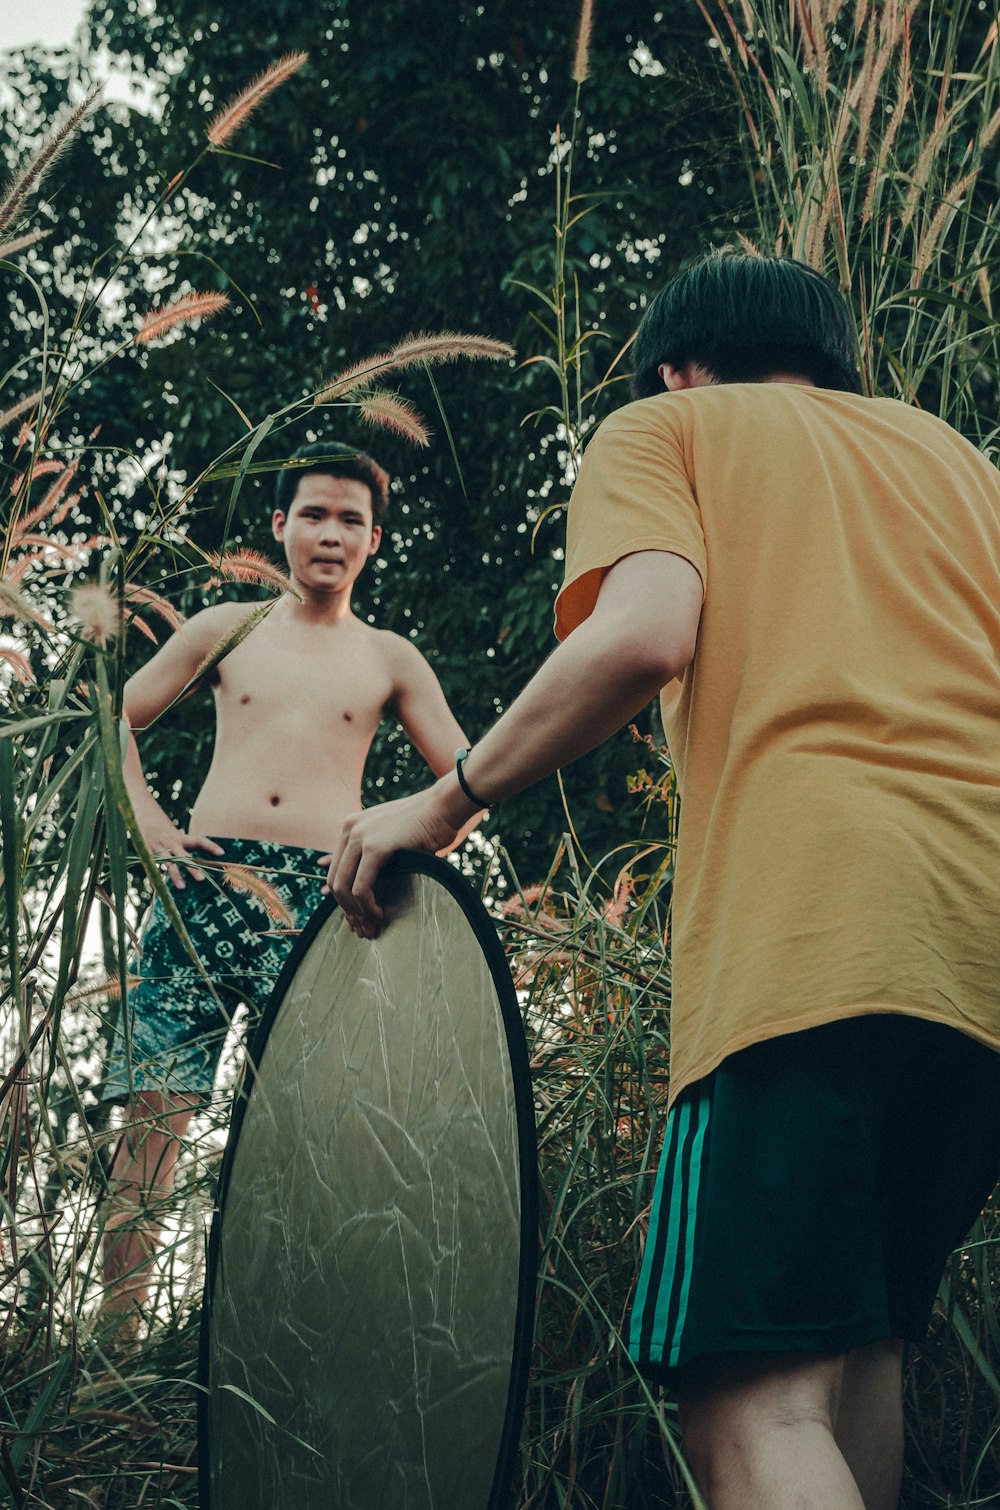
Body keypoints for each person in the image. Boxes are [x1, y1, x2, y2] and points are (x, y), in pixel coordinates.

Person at [325, 250, 1000, 1510]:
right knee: (859, 1351)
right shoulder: (959, 461)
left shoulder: (668, 424)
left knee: (751, 1399)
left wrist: (449, 793)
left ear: (675, 363)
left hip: (814, 940)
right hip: (977, 955)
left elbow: (642, 631)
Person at [102, 439, 479, 1333]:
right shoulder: (223, 625)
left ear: (375, 540)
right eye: (313, 513)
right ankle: (115, 1352)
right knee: (155, 1118)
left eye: (351, 519)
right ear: (279, 526)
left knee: (298, 1132)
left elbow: (468, 783)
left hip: (318, 908)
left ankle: (268, 1344)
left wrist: (389, 841)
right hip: (200, 889)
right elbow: (111, 715)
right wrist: (151, 823)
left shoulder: (391, 658)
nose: (330, 533)